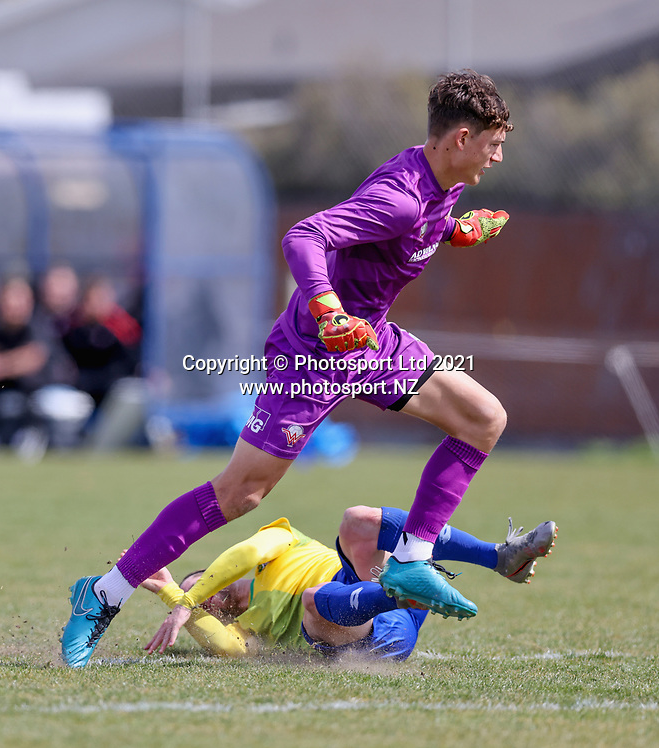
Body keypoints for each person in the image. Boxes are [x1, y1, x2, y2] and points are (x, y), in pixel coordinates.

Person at [62, 69, 515, 667]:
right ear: (460, 138)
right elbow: (306, 236)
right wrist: (327, 307)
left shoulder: (439, 184)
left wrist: (455, 231)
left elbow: (403, 233)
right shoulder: (401, 199)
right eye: (493, 145)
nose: (498, 157)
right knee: (241, 493)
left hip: (371, 343)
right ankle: (101, 595)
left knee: (483, 418)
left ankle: (410, 559)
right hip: (316, 353)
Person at [133, 509, 556, 663]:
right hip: (371, 634)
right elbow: (225, 648)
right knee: (314, 600)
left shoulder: (283, 540)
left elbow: (246, 551)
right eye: (207, 607)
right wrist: (175, 598)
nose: (209, 598)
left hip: (365, 579)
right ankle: (402, 587)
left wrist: (186, 598)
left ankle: (500, 558)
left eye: (205, 584)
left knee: (358, 521)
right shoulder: (250, 630)